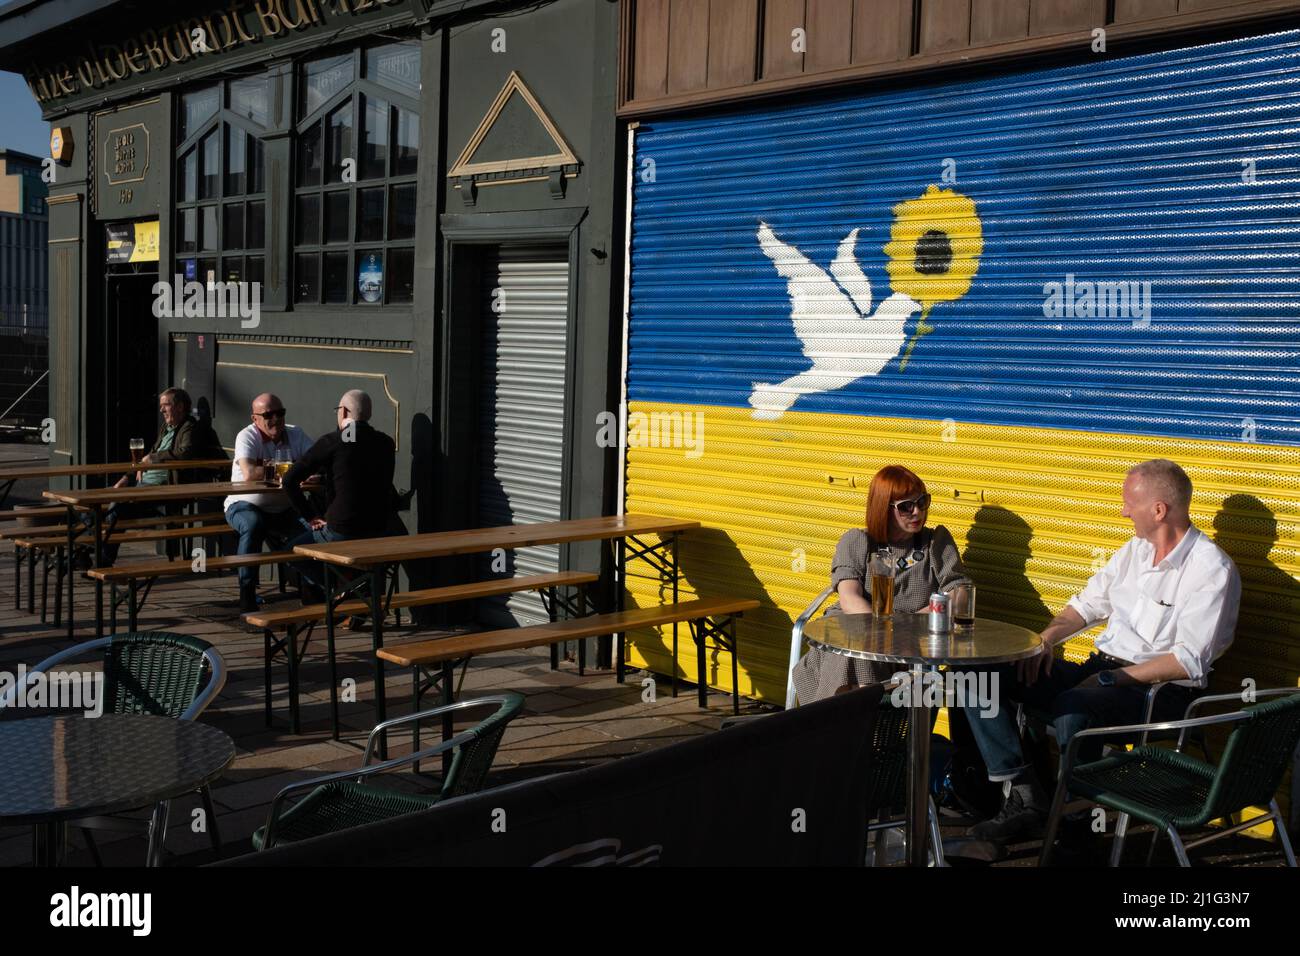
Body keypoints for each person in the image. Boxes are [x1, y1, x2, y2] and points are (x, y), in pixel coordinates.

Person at [962, 459, 1241, 844]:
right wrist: (1045, 641)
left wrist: (1110, 679)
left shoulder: (1211, 570)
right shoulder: (1135, 551)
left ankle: (1079, 827)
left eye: (1130, 502)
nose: (1123, 510)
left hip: (1160, 690)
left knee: (1075, 706)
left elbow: (1186, 661)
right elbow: (1088, 604)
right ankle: (1027, 797)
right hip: (1102, 672)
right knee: (980, 676)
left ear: (1159, 510)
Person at [791, 465, 971, 703]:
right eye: (906, 506)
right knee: (855, 647)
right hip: (857, 626)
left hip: (911, 641)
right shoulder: (859, 541)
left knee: (857, 650)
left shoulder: (934, 542)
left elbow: (958, 592)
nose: (917, 512)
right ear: (883, 508)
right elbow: (849, 598)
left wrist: (909, 625)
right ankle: (858, 718)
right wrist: (885, 633)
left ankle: (853, 723)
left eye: (922, 502)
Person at [89, 387, 226, 566]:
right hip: (142, 484)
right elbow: (147, 457)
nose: (161, 410)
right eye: (161, 406)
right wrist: (126, 477)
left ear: (180, 407)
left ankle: (101, 560)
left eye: (165, 405)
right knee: (96, 501)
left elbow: (185, 453)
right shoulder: (166, 428)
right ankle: (85, 551)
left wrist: (154, 458)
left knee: (116, 508)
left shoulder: (189, 427)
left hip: (163, 488)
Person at [283, 389, 397, 597]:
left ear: (343, 412)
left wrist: (311, 517)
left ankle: (342, 588)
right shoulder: (386, 442)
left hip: (344, 528)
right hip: (380, 528)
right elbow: (358, 468)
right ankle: (353, 588)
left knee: (292, 551)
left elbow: (289, 480)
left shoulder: (334, 440)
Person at [224, 393, 314, 611]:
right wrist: (294, 472)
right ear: (255, 418)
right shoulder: (247, 436)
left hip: (283, 508)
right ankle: (246, 593)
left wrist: (313, 473)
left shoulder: (296, 433)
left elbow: (316, 462)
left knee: (313, 530)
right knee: (254, 524)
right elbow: (249, 472)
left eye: (280, 413)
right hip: (244, 505)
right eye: (268, 415)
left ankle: (314, 591)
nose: (276, 419)